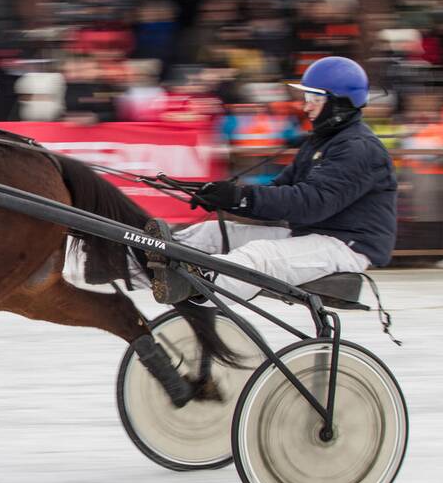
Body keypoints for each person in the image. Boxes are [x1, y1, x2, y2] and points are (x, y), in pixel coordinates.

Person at [148, 56, 397, 304]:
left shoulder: (358, 148)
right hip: (309, 234)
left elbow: (310, 204)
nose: (306, 107)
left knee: (259, 257)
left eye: (314, 99)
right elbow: (280, 190)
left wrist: (241, 198)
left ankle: (191, 284)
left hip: (346, 246)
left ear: (339, 105)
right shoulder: (321, 142)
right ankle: (138, 264)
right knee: (209, 233)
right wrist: (227, 198)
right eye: (306, 99)